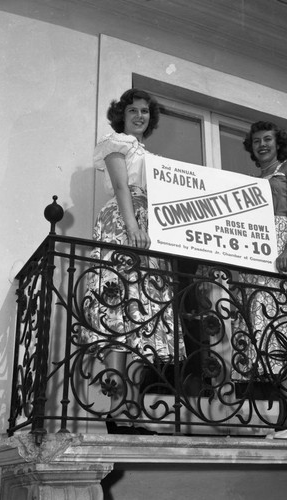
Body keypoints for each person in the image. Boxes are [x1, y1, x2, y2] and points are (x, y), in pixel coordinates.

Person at [80, 88, 186, 434]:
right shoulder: (116, 143)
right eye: (133, 111)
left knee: (140, 317)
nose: (139, 116)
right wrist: (132, 226)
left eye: (144, 111)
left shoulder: (147, 153)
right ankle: (116, 407)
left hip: (148, 227)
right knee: (119, 311)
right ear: (122, 115)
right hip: (125, 224)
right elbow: (122, 187)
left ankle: (130, 406)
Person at [231, 121, 287, 439]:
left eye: (267, 139)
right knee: (270, 333)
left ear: (278, 142)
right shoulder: (254, 180)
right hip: (259, 255)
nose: (262, 145)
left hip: (283, 248)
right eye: (256, 141)